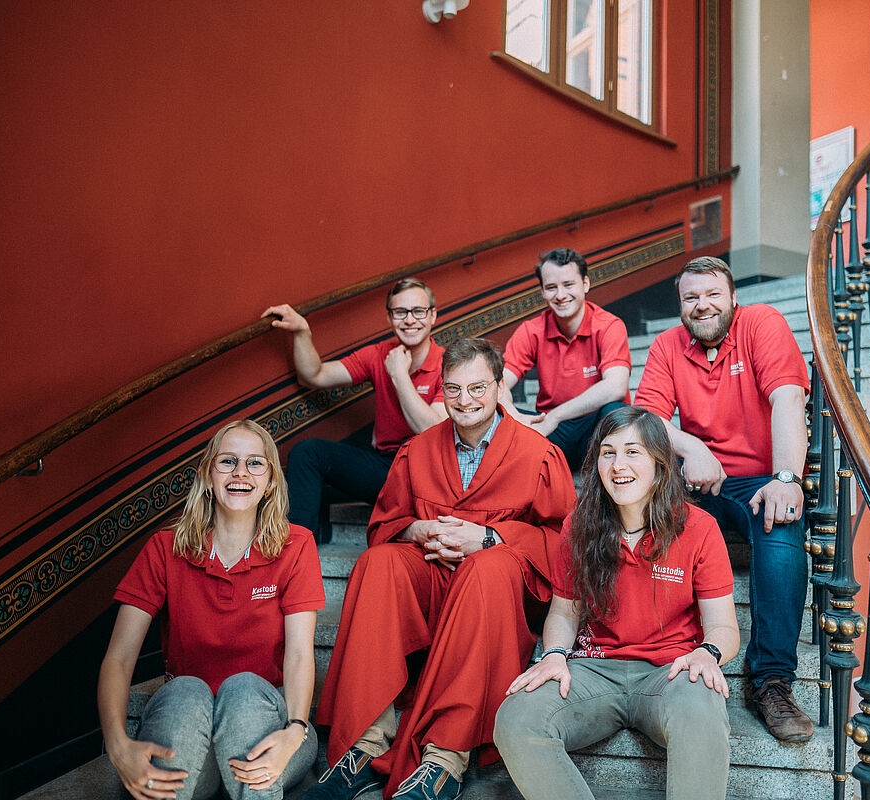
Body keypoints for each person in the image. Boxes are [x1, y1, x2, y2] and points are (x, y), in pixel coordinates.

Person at [306, 337, 577, 800]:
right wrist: (417, 532)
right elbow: (384, 524)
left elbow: (564, 545)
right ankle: (365, 743)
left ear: (498, 387)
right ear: (442, 391)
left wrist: (490, 537)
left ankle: (444, 758)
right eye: (453, 390)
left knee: (484, 570)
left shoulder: (538, 455)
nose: (465, 400)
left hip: (500, 591)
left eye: (477, 388)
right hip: (432, 576)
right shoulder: (417, 450)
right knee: (378, 563)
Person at [494, 406, 739, 800]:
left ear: (660, 464)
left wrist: (708, 653)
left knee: (702, 709)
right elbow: (563, 610)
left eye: (632, 451)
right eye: (608, 452)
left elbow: (725, 628)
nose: (618, 464)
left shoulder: (699, 528)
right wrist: (554, 654)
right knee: (516, 718)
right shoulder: (580, 524)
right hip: (594, 670)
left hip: (670, 674)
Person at [633, 256, 814, 743]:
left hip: (759, 478)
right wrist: (693, 448)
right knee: (646, 516)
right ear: (680, 306)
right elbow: (646, 418)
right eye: (691, 297)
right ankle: (653, 659)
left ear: (733, 297)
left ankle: (771, 680)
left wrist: (785, 478)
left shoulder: (762, 323)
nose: (702, 304)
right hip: (698, 481)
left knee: (781, 531)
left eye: (712, 294)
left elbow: (788, 399)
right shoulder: (668, 345)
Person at [98, 420, 325, 800]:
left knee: (244, 689)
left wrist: (295, 729)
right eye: (227, 462)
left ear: (270, 480)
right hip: (189, 731)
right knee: (186, 691)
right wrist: (119, 746)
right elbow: (119, 659)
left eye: (256, 463)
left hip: (265, 727)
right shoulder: (164, 548)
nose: (240, 472)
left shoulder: (296, 545)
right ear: (207, 475)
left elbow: (301, 654)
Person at [262, 278, 446, 541]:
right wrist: (302, 332)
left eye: (418, 311)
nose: (409, 320)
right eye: (400, 312)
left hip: (424, 473)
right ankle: (298, 551)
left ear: (433, 316)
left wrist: (398, 375)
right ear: (389, 318)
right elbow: (314, 375)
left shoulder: (447, 363)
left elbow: (431, 430)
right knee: (308, 452)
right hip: (384, 467)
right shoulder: (377, 354)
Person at [501, 247, 631, 472]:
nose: (560, 295)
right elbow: (496, 384)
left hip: (595, 430)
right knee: (494, 414)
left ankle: (614, 475)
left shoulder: (609, 325)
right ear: (542, 292)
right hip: (551, 431)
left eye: (568, 285)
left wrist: (557, 415)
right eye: (551, 287)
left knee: (616, 410)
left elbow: (616, 386)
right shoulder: (531, 331)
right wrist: (513, 414)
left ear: (585, 284)